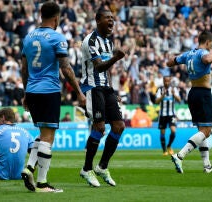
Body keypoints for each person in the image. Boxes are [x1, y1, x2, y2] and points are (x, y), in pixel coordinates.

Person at [20, 2, 86, 193]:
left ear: (41, 15)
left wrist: (25, 93)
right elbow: (66, 68)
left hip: (32, 90)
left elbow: (24, 69)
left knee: (42, 135)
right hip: (48, 91)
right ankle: (42, 183)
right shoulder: (58, 38)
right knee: (49, 138)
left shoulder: (28, 37)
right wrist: (79, 93)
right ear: (57, 18)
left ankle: (29, 167)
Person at [79, 8, 125, 187]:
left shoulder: (108, 42)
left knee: (119, 126)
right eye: (108, 18)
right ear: (98, 20)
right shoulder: (90, 41)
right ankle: (86, 168)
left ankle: (102, 166)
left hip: (105, 88)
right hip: (92, 87)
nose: (112, 21)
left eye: (113, 18)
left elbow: (107, 71)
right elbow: (98, 67)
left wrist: (113, 91)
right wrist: (116, 58)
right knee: (99, 127)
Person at [167, 30, 212, 174]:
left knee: (201, 131)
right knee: (206, 131)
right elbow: (207, 59)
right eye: (211, 44)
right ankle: (180, 155)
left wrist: (176, 59)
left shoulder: (188, 54)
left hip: (192, 93)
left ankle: (207, 165)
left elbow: (169, 62)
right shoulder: (203, 53)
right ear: (208, 42)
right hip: (203, 94)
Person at [155, 76, 181, 156]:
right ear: (163, 81)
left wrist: (174, 94)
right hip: (163, 114)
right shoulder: (160, 90)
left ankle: (169, 146)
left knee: (173, 130)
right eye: (165, 81)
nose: (167, 83)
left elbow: (179, 100)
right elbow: (156, 101)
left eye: (168, 81)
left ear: (170, 81)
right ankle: (164, 150)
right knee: (162, 132)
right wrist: (162, 96)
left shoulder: (174, 89)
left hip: (171, 114)